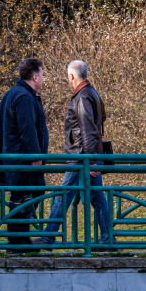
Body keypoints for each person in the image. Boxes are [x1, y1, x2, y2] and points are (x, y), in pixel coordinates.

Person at [42, 60, 112, 245]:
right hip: (90, 155)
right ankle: (108, 239)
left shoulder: (82, 97)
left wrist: (89, 160)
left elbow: (87, 129)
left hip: (81, 157)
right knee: (97, 197)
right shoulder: (93, 93)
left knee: (63, 195)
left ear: (71, 76)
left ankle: (47, 237)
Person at [0, 57, 49, 250]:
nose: (43, 78)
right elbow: (28, 130)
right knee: (27, 197)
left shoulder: (12, 94)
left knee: (21, 199)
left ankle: (20, 240)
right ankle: (17, 242)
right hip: (23, 161)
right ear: (34, 77)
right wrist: (35, 157)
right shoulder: (24, 97)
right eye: (42, 74)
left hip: (14, 160)